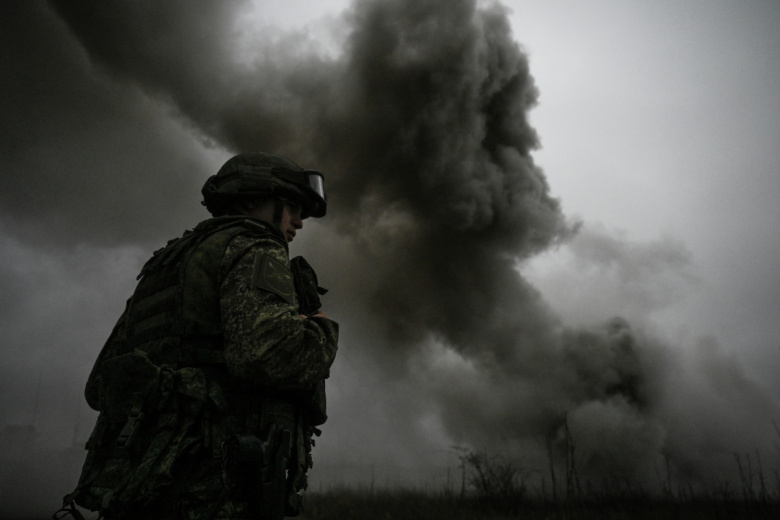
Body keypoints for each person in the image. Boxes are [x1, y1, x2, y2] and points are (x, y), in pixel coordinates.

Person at [57, 152, 339, 520]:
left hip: (145, 486)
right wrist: (320, 329)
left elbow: (100, 386)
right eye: (291, 206)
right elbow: (268, 356)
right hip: (212, 488)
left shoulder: (167, 263)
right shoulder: (255, 247)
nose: (299, 221)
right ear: (252, 199)